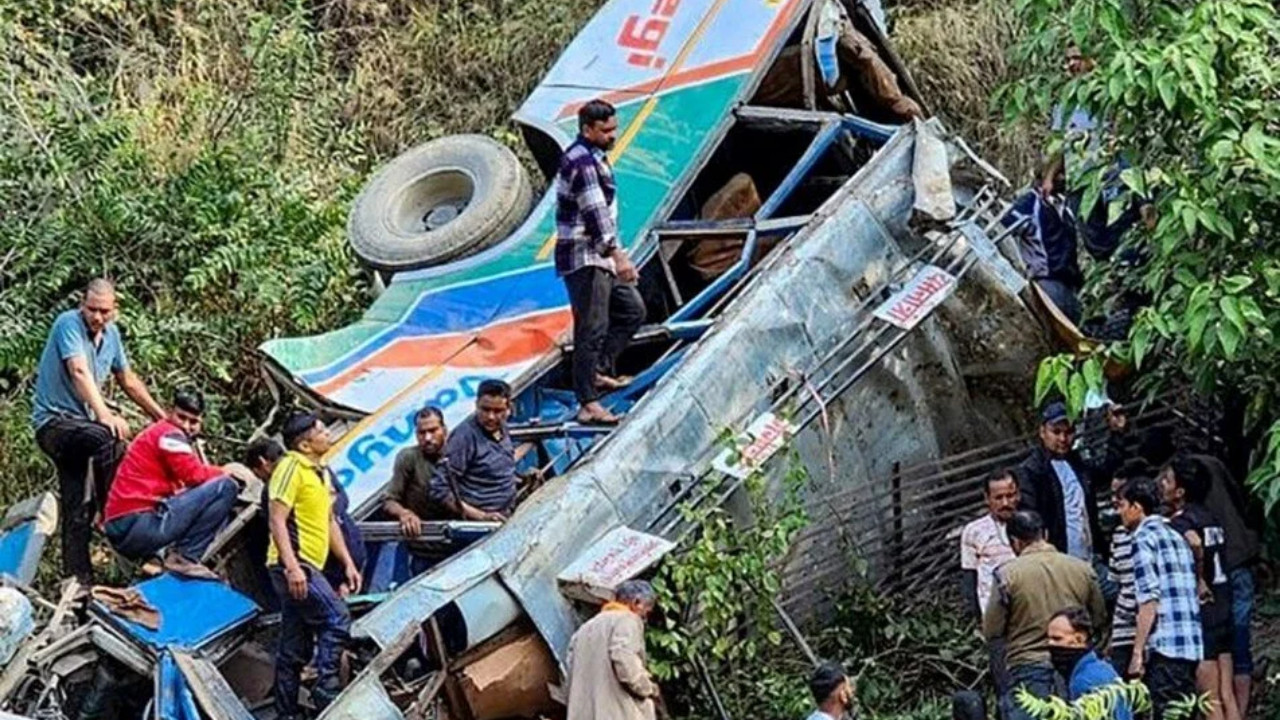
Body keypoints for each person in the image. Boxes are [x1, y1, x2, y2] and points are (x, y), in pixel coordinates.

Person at [31, 278, 166, 583]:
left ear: (114, 310)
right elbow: (78, 370)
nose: (97, 317)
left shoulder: (112, 335)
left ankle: (78, 585)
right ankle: (114, 514)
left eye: (104, 311)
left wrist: (163, 418)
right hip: (56, 425)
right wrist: (105, 415)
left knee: (76, 507)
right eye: (92, 309)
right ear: (83, 304)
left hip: (83, 428)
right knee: (109, 439)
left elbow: (128, 380)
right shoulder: (68, 324)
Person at [555, 99, 646, 425]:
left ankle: (596, 372)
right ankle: (588, 403)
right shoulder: (582, 163)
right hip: (586, 257)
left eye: (614, 128)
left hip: (600, 257)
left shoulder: (594, 157)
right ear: (587, 130)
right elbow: (596, 216)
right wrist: (618, 256)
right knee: (591, 328)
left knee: (631, 310)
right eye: (606, 130)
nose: (613, 135)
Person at [267, 412, 362, 718]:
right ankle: (327, 687)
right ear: (305, 444)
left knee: (293, 649)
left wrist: (347, 562)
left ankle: (286, 712)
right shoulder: (290, 466)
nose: (327, 435)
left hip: (308, 565)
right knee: (337, 616)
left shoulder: (319, 473)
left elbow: (329, 522)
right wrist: (292, 566)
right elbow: (276, 518)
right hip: (295, 565)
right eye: (321, 431)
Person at [101, 389, 244, 580]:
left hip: (124, 525)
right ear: (169, 412)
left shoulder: (158, 433)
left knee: (186, 495)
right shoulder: (170, 434)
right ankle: (185, 557)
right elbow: (194, 475)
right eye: (181, 417)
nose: (186, 426)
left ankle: (160, 558)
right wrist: (225, 472)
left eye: (193, 422)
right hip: (136, 523)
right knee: (226, 487)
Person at [984, 511, 1107, 720]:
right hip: (1074, 667)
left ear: (1014, 542)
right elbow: (1099, 618)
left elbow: (992, 629)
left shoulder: (1007, 575)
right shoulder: (1082, 569)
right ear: (1046, 534)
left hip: (1027, 666)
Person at [1160, 457, 1240, 720]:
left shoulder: (1181, 524)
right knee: (1227, 694)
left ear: (1180, 492)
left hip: (1202, 616)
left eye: (1167, 480)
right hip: (1224, 606)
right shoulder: (1211, 518)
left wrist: (1198, 577)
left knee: (1210, 700)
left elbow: (1194, 543)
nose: (1161, 484)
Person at [1116, 477, 1201, 718]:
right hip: (1191, 646)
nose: (1119, 512)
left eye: (1122, 505)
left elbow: (1148, 600)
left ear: (1137, 507)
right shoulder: (1176, 536)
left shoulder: (1143, 539)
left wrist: (1137, 652)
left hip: (1165, 647)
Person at [1016, 401, 1126, 563]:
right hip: (1057, 560)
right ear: (1042, 432)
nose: (1063, 438)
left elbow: (1104, 473)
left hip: (1090, 555)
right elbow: (1031, 517)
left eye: (1068, 432)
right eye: (1056, 432)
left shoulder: (1076, 462)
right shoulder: (1032, 470)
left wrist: (1117, 433)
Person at [429, 380, 531, 522]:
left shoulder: (502, 428)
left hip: (508, 512)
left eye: (497, 411)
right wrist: (481, 516)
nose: (491, 417)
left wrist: (518, 479)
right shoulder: (464, 437)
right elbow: (439, 489)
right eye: (485, 409)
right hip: (483, 524)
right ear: (476, 405)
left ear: (508, 409)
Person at [960, 470, 1019, 701]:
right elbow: (969, 578)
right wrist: (977, 620)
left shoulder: (1028, 523)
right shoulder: (974, 532)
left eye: (1010, 495)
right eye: (998, 497)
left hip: (1028, 616)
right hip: (996, 620)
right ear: (987, 499)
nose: (1006, 502)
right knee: (1005, 685)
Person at [565, 579, 661, 720]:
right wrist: (648, 688)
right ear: (636, 602)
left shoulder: (584, 629)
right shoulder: (627, 620)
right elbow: (625, 664)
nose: (644, 617)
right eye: (646, 611)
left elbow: (569, 673)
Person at [1046, 607, 1133, 720]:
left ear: (1079, 639)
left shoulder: (1084, 680)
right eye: (1048, 638)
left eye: (1057, 639)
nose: (1050, 644)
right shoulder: (1101, 669)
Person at [1106, 460, 1151, 679]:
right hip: (1124, 630)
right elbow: (1118, 583)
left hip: (1153, 629)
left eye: (1120, 496)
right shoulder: (1118, 535)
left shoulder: (1158, 534)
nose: (1115, 501)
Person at [383, 407, 447, 537]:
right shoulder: (409, 458)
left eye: (433, 431)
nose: (428, 438)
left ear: (444, 430)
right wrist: (404, 514)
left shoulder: (460, 452)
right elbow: (389, 500)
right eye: (422, 433)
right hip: (424, 540)